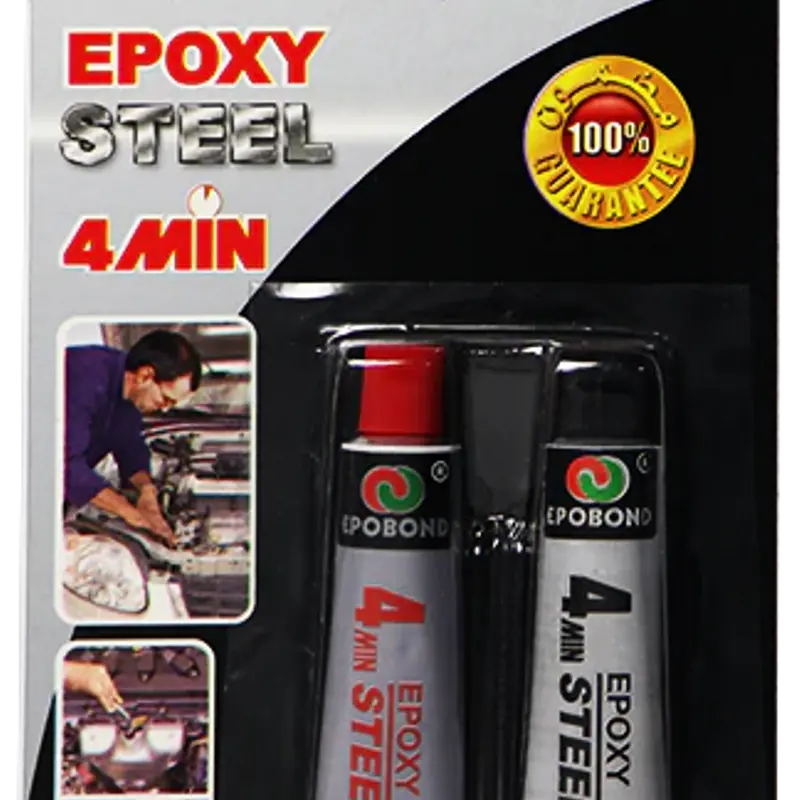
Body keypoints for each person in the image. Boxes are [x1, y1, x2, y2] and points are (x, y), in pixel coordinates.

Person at [64, 329, 203, 546]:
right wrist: (130, 514)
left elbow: (130, 446)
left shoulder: (129, 393)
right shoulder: (84, 378)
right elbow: (65, 466)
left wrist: (147, 493)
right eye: (166, 399)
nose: (165, 410)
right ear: (145, 375)